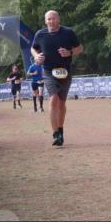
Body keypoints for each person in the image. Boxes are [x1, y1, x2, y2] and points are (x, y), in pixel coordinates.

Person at [31, 10, 83, 146]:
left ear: (59, 19)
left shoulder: (68, 32)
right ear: (45, 21)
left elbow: (80, 48)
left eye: (54, 19)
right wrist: (36, 56)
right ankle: (55, 134)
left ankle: (60, 130)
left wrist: (70, 52)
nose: (51, 21)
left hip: (65, 71)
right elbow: (33, 48)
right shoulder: (40, 34)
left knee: (61, 103)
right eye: (49, 19)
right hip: (48, 71)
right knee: (53, 98)